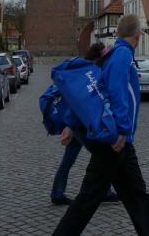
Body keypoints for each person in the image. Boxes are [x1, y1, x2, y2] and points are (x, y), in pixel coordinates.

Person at [53, 14, 149, 236]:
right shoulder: (122, 55)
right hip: (114, 141)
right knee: (89, 198)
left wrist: (71, 124)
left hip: (119, 141)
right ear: (138, 35)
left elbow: (94, 92)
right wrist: (122, 130)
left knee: (137, 196)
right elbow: (116, 92)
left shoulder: (114, 53)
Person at [51, 43, 119, 206]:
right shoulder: (89, 73)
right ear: (98, 58)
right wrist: (70, 126)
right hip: (81, 125)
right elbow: (80, 100)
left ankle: (57, 192)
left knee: (69, 159)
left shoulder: (82, 71)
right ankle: (102, 191)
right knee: (101, 156)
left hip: (76, 124)